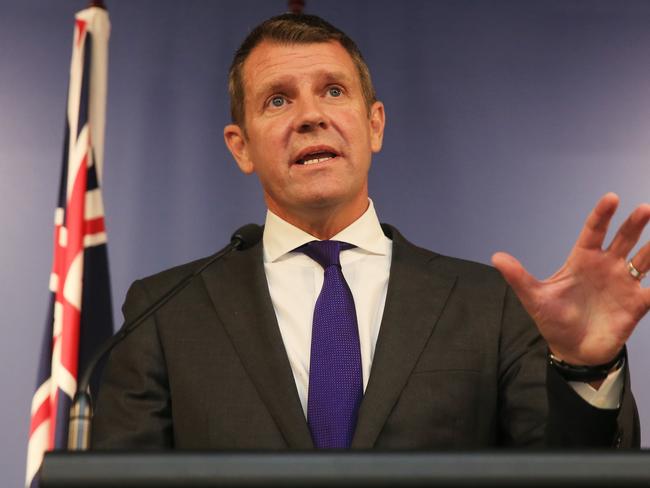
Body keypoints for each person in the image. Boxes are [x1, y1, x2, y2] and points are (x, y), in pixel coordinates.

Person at [92, 13, 648, 450]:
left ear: (374, 124)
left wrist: (584, 367)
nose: (310, 116)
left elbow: (566, 477)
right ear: (241, 146)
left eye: (333, 91)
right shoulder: (163, 313)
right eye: (278, 99)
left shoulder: (488, 306)